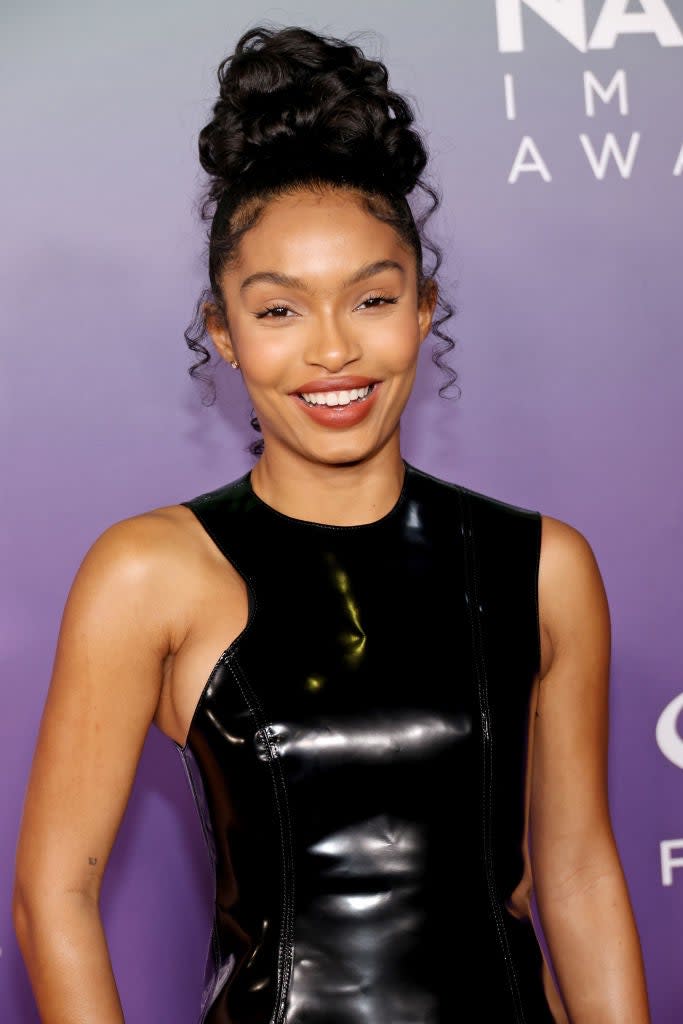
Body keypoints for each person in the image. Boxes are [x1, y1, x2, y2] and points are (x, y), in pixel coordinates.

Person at [12, 23, 651, 1024]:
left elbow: (569, 870)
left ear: (422, 309)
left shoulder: (541, 565)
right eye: (278, 311)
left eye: (371, 298)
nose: (332, 350)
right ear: (221, 332)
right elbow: (53, 891)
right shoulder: (151, 571)